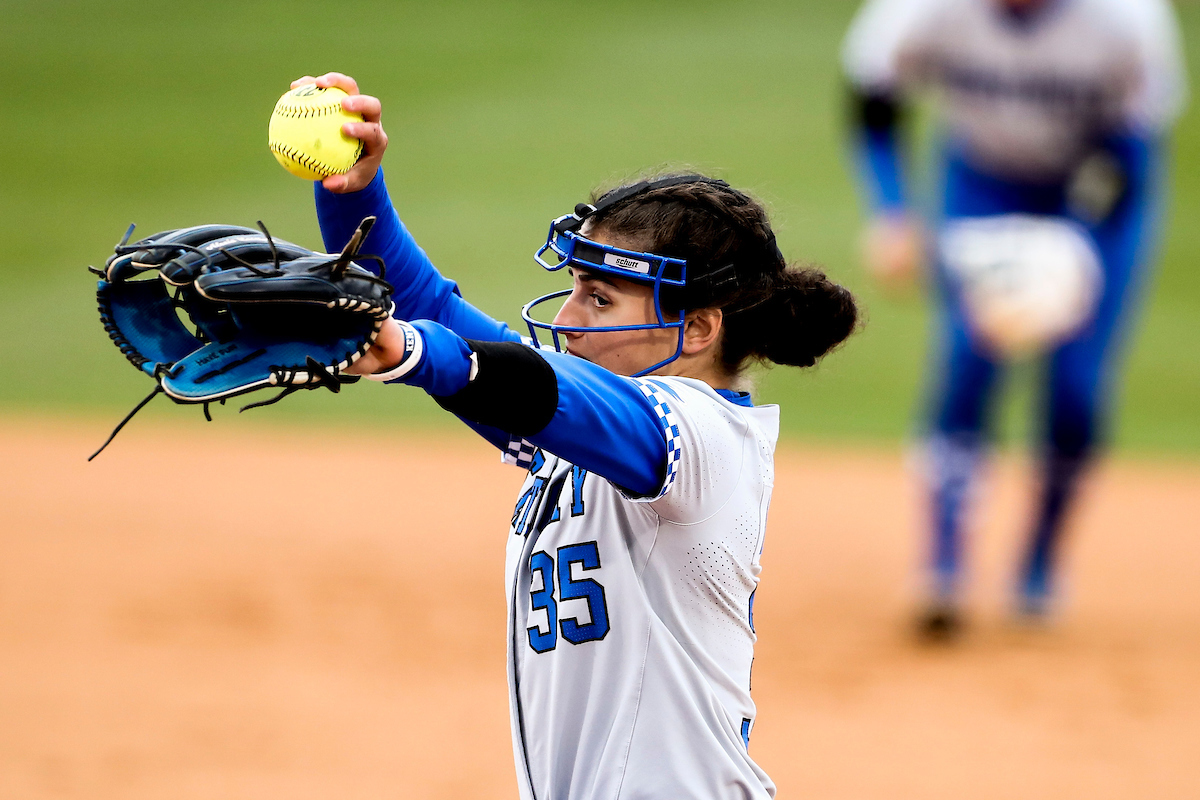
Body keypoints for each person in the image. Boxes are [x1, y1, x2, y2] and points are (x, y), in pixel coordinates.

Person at [292, 73, 858, 799]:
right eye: (574, 289)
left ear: (697, 329)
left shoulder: (702, 437)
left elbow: (536, 385)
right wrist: (353, 196)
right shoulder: (580, 435)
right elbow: (433, 307)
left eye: (600, 297)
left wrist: (412, 351)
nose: (568, 319)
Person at [841, 0, 1187, 638]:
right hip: (980, 181)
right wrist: (892, 210)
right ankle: (943, 565)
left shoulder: (1130, 20)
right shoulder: (921, 12)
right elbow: (874, 100)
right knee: (970, 360)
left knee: (1077, 388)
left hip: (1094, 194)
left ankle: (1039, 563)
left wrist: (1067, 253)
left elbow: (1132, 152)